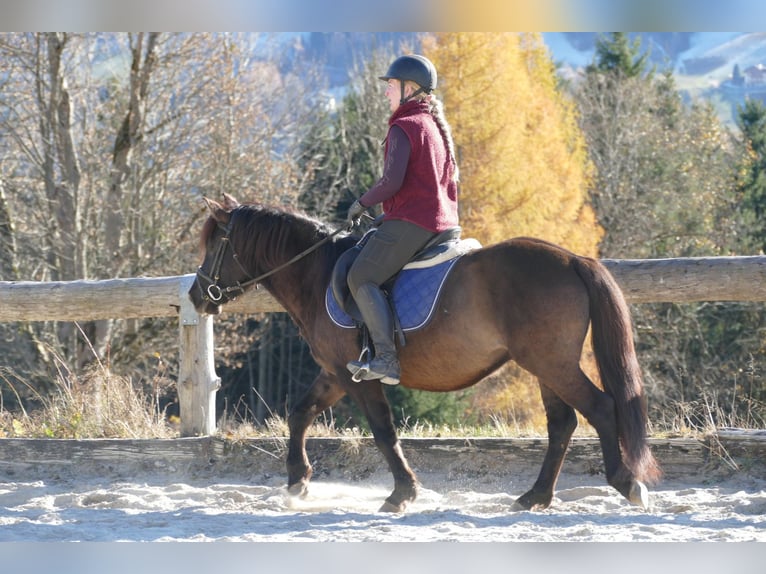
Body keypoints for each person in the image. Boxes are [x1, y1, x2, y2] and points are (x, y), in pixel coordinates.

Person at [345, 54, 460, 385]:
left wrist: (361, 203)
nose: (387, 93)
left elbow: (391, 183)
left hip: (415, 222)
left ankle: (386, 359)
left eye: (391, 85)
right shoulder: (433, 126)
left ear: (410, 88)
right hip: (443, 222)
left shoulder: (403, 126)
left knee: (361, 276)